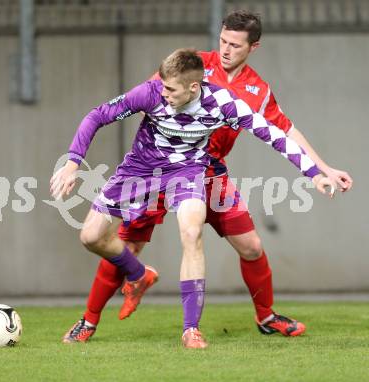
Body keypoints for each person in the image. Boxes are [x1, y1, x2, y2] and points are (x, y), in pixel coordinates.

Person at [65, 10, 353, 347]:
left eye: (235, 45)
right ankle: (89, 320)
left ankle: (265, 316)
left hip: (205, 170)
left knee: (250, 245)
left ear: (253, 47)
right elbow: (151, 96)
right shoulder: (191, 66)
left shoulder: (254, 91)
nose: (227, 49)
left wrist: (321, 169)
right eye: (223, 41)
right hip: (153, 167)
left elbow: (281, 131)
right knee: (128, 245)